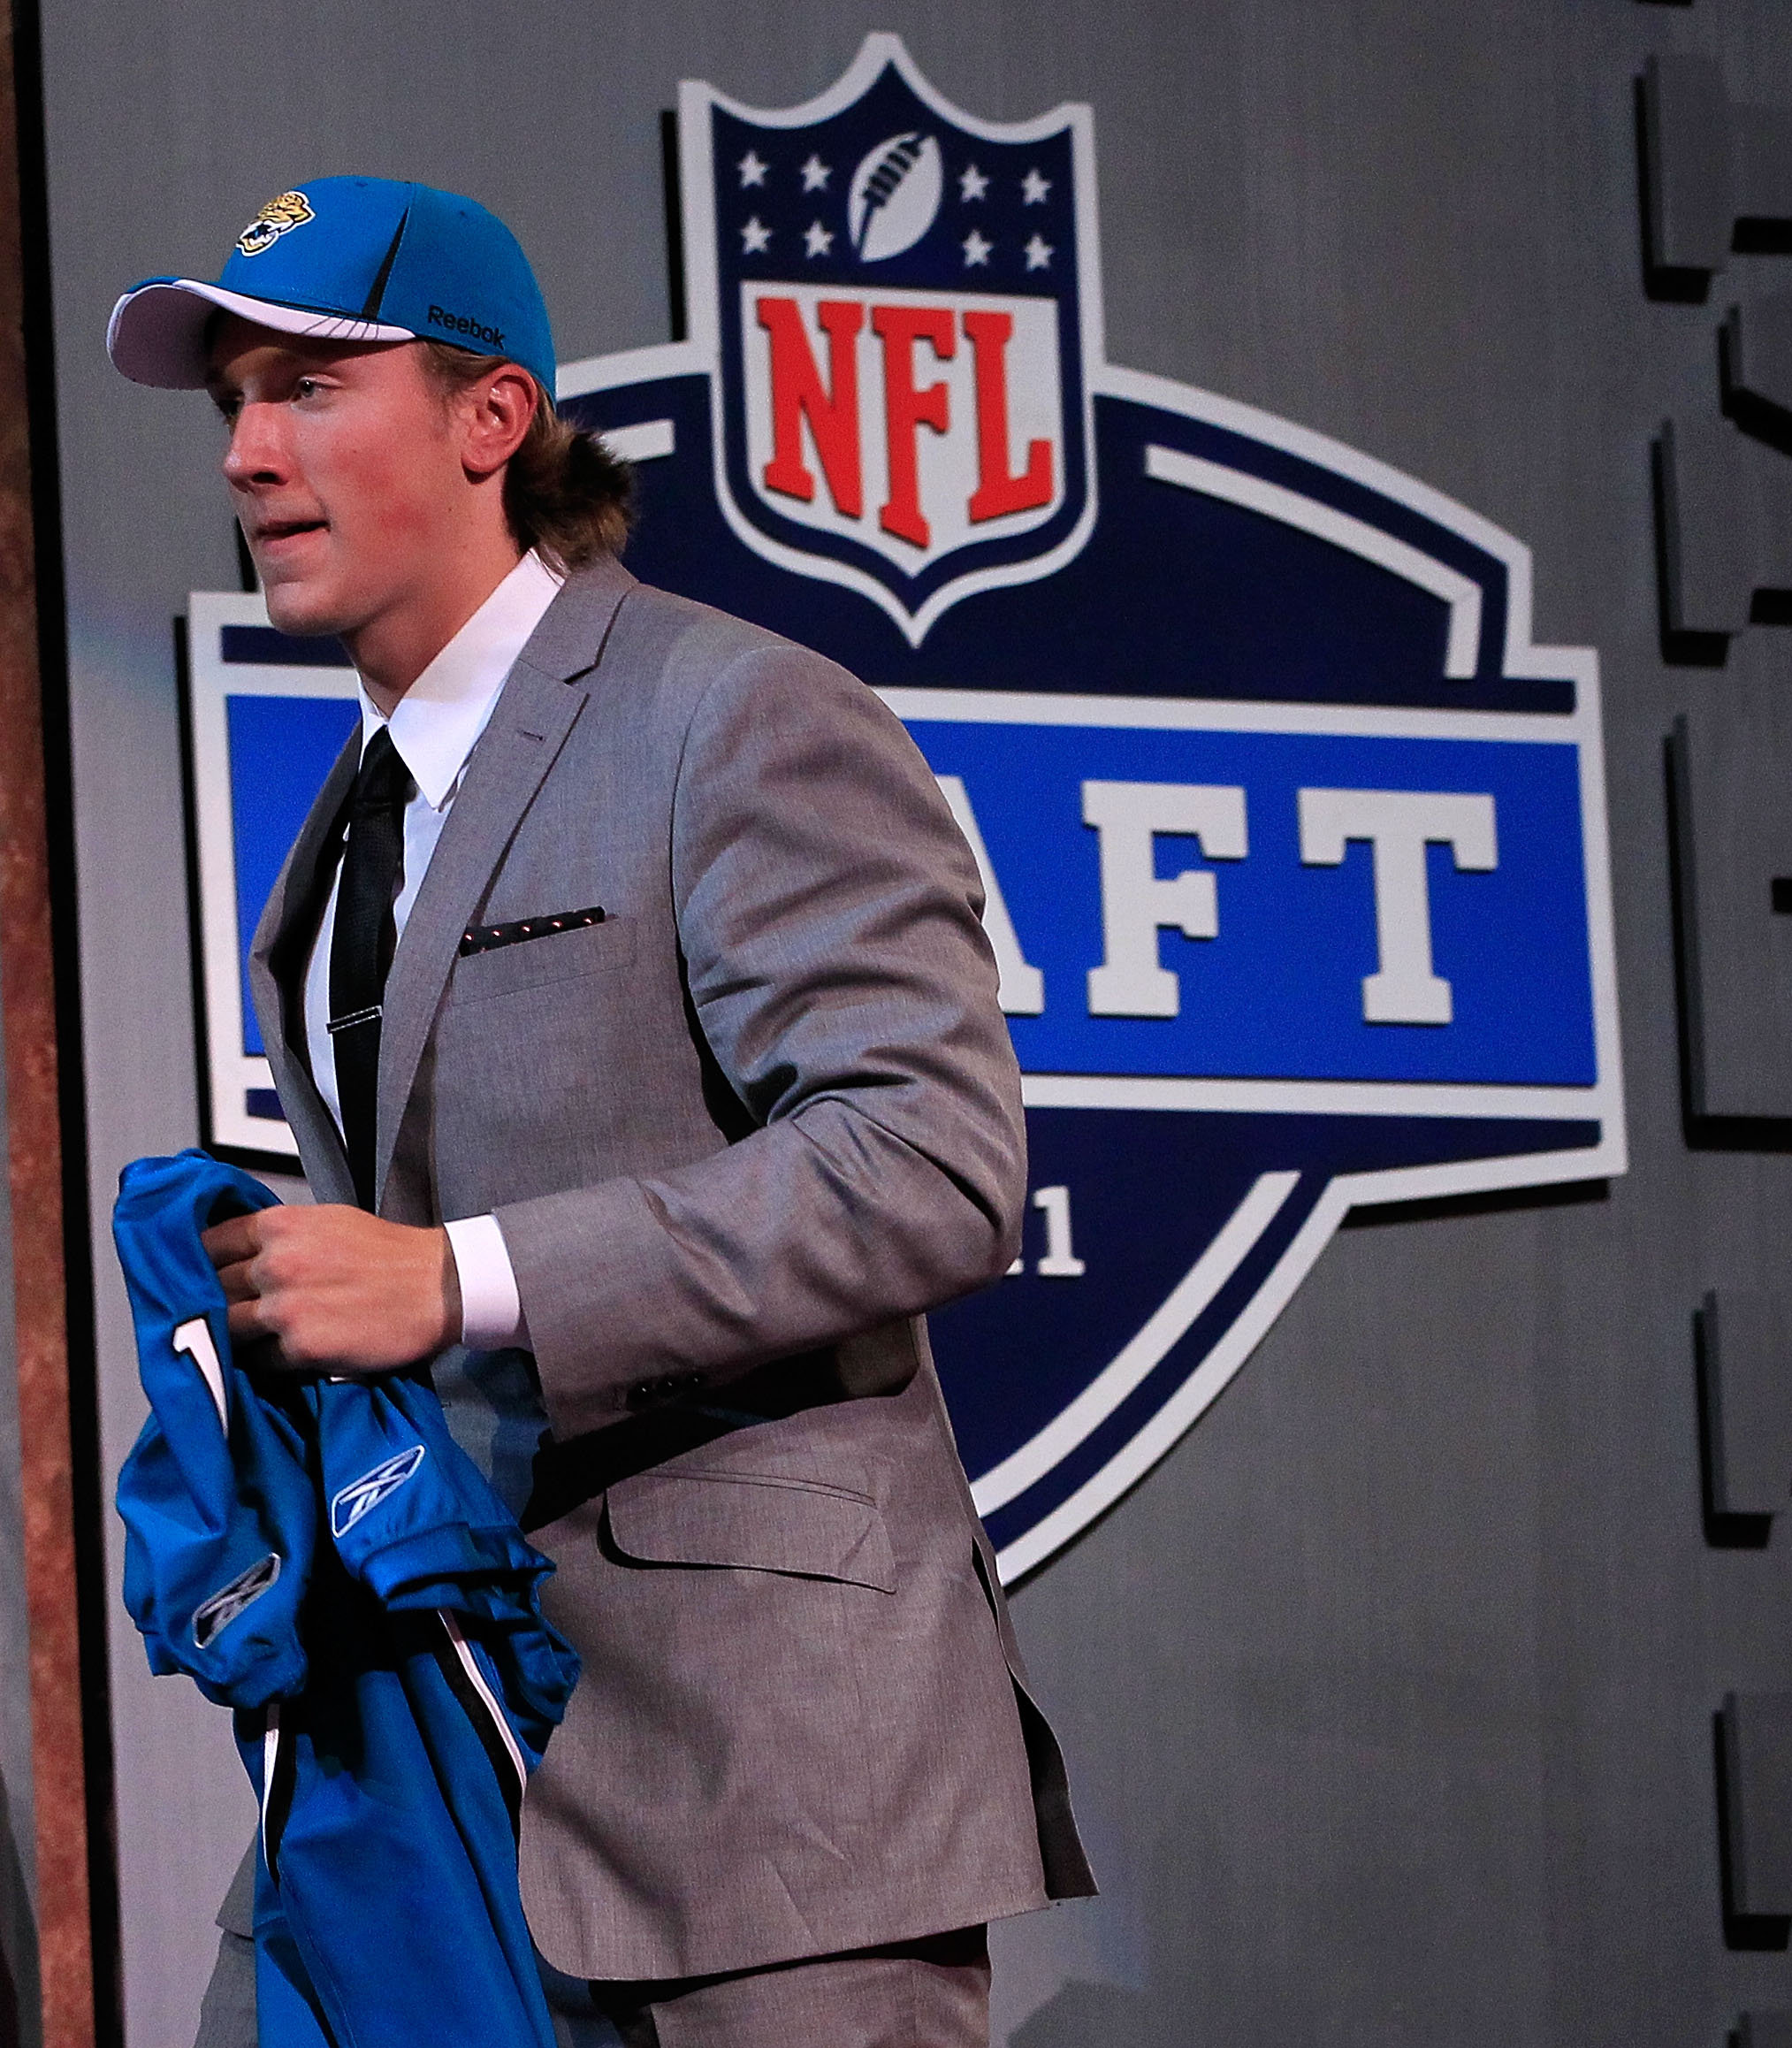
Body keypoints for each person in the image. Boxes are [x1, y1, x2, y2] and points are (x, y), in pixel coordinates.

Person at [106, 175, 1092, 2048]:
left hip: (762, 1795)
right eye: (230, 397)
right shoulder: (349, 823)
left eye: (310, 386)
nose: (245, 451)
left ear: (493, 421)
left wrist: (457, 1280)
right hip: (439, 1751)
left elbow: (931, 1164)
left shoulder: (735, 716)